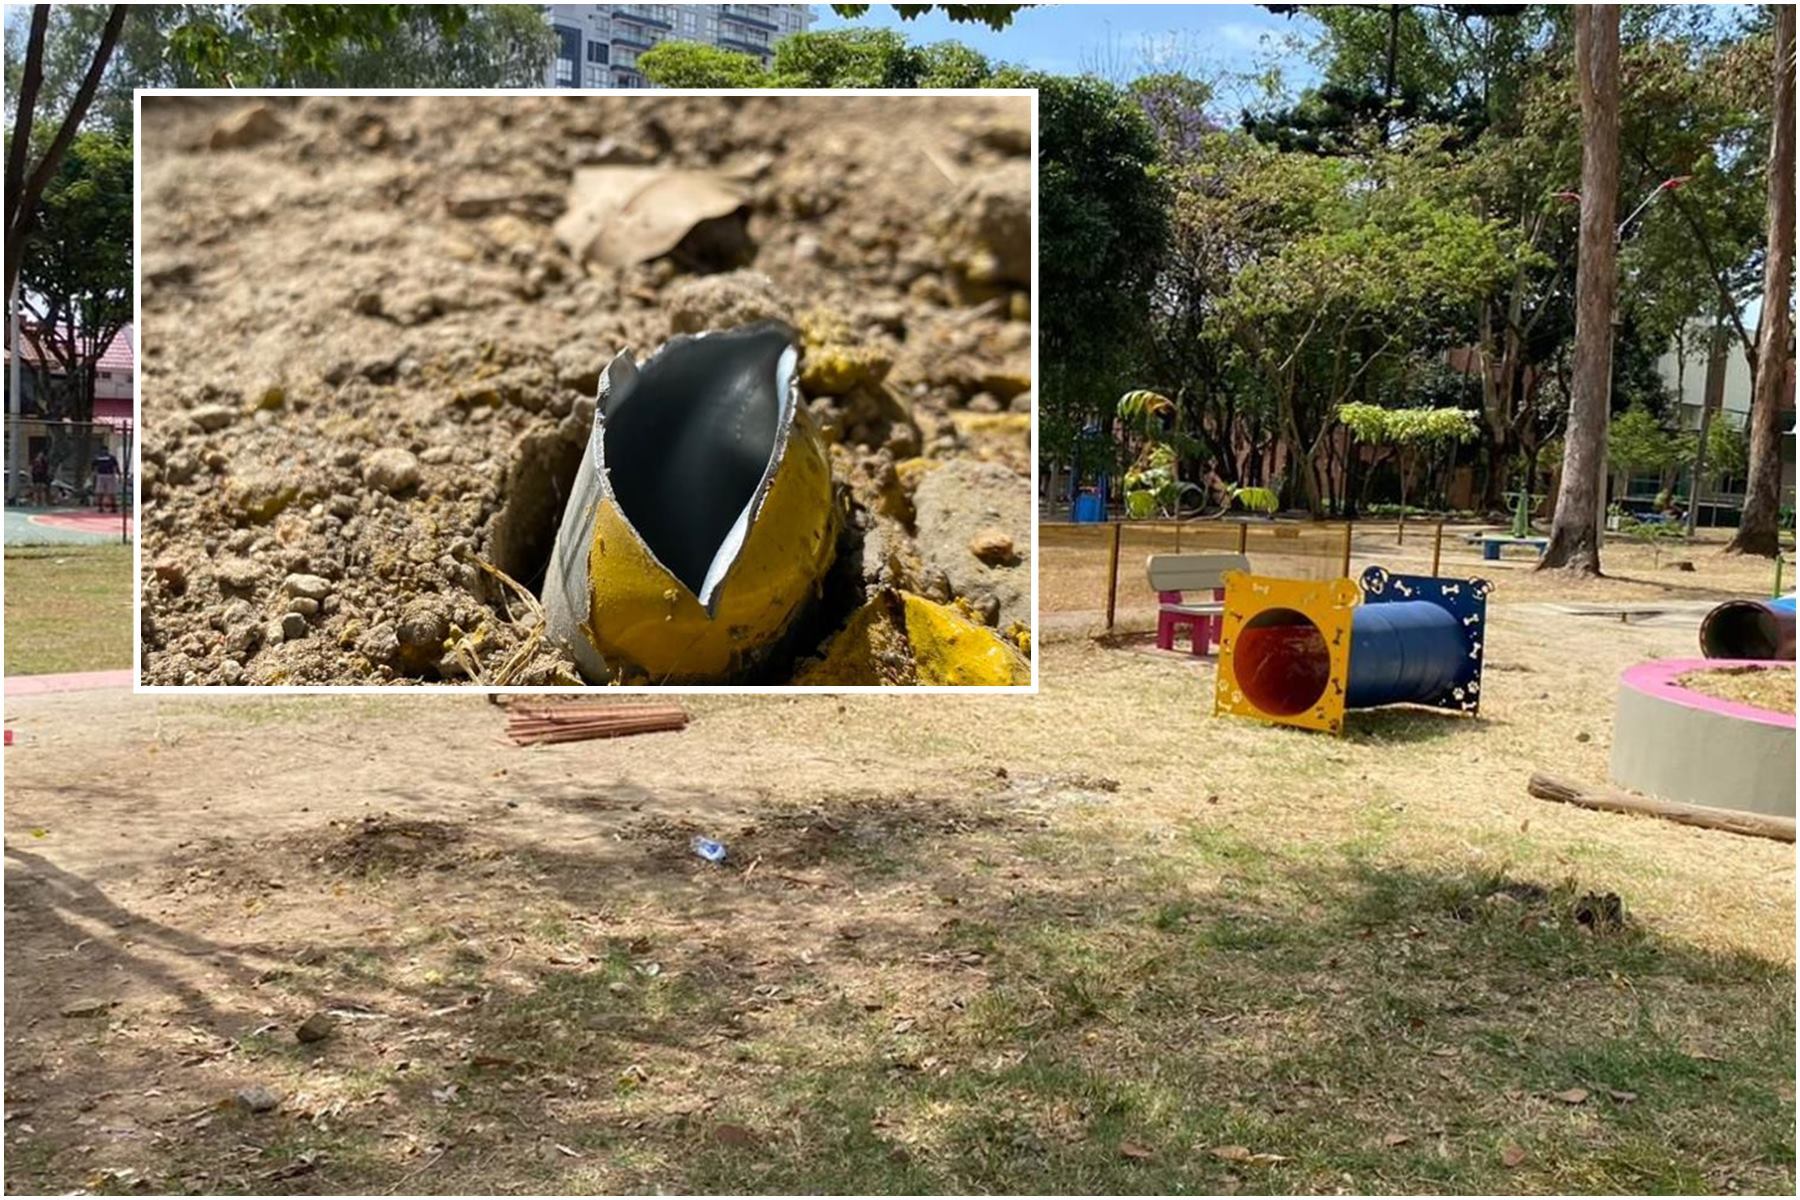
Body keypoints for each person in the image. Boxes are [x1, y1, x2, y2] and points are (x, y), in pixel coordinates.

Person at [93, 447, 120, 514]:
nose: (104, 451)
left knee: (111, 492)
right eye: (103, 450)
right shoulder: (98, 457)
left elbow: (116, 466)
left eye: (105, 450)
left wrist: (118, 473)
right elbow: (93, 466)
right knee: (100, 492)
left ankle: (113, 507)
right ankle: (100, 507)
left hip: (109, 475)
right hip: (101, 475)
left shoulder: (111, 457)